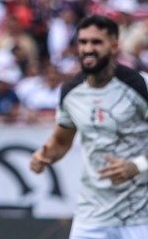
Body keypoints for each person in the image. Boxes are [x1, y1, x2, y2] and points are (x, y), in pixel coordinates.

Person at [30, 15, 147, 239]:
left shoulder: (140, 85)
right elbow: (61, 141)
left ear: (114, 46)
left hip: (139, 214)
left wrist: (137, 165)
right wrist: (43, 155)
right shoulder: (71, 91)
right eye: (83, 42)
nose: (87, 49)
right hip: (91, 215)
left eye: (96, 42)